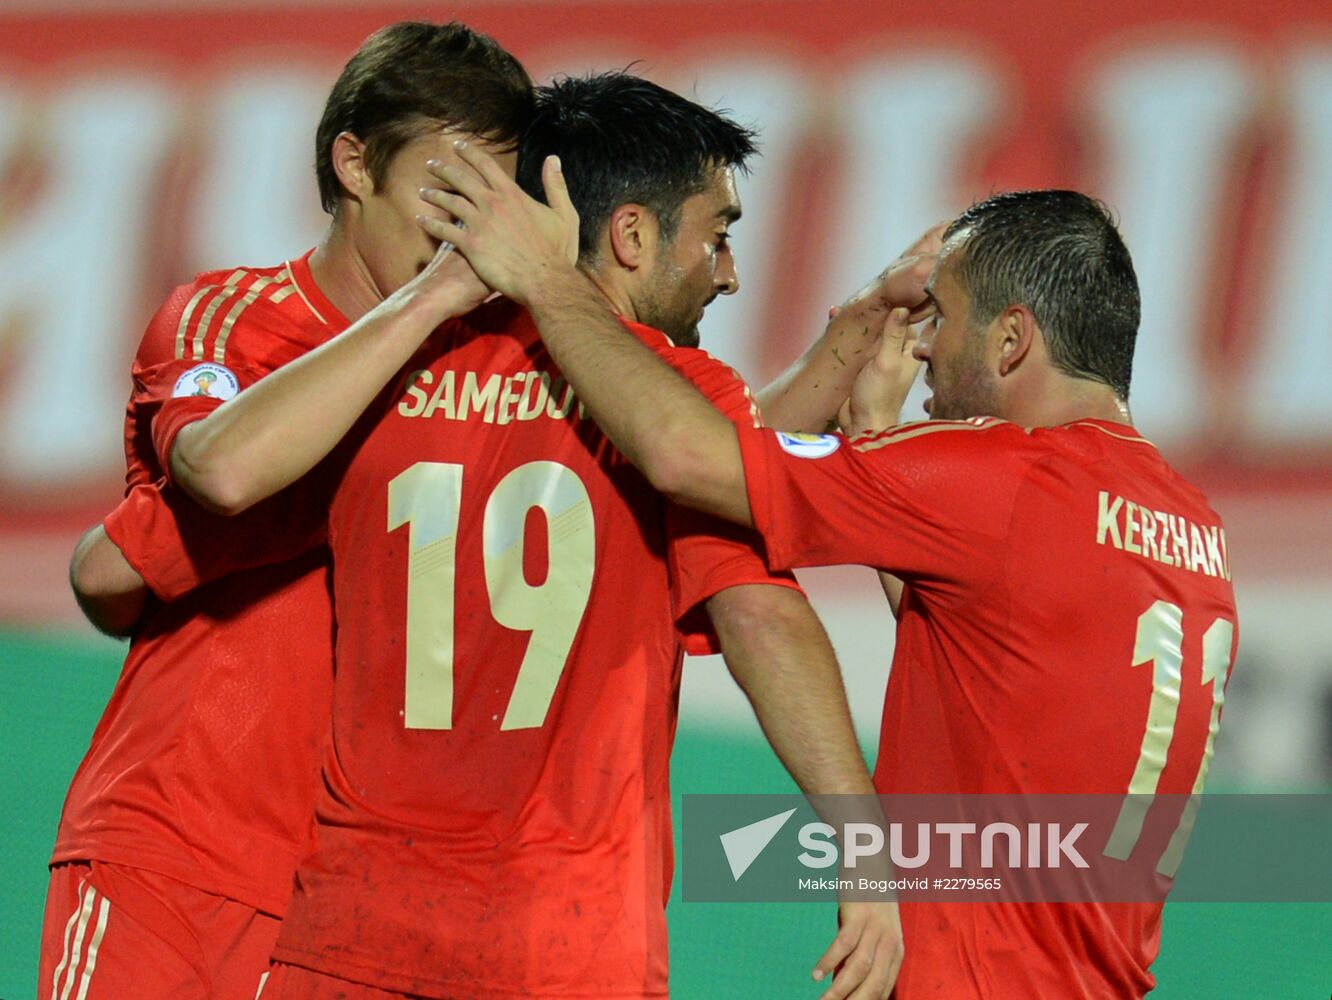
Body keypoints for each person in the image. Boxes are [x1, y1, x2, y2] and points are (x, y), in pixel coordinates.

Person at [72, 72, 946, 998]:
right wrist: (864, 848)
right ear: (634, 236)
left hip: (348, 939)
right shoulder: (675, 411)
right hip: (564, 943)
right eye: (717, 237)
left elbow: (116, 564)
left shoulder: (383, 383)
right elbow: (757, 602)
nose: (728, 272)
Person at [423, 174, 1240, 998]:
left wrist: (549, 283)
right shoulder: (1190, 527)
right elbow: (986, 644)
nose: (924, 347)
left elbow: (685, 455)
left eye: (945, 318)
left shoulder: (1004, 479)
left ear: (1011, 341)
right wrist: (878, 435)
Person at [39, 21, 537, 1000]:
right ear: (355, 162)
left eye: (493, 201)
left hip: (360, 911)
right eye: (447, 189)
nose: (465, 230)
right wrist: (433, 307)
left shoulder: (500, 372)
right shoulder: (235, 316)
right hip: (172, 859)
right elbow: (223, 473)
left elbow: (113, 570)